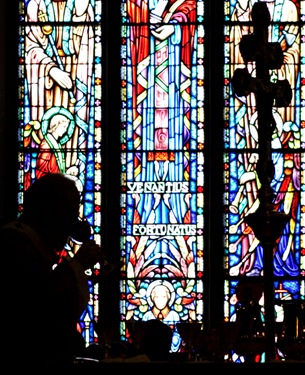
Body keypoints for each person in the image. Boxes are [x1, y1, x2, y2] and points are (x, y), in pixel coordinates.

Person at [2, 173, 102, 369]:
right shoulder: (13, 246)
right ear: (45, 211)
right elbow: (41, 308)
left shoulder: (31, 248)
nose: (72, 225)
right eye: (69, 213)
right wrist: (78, 265)